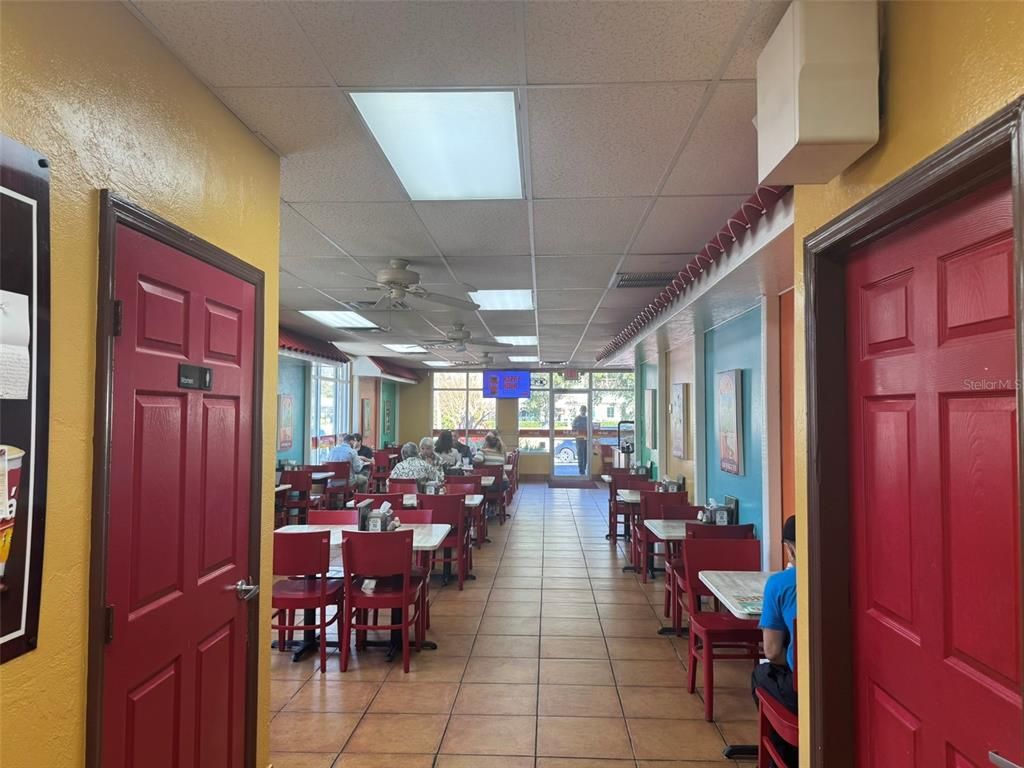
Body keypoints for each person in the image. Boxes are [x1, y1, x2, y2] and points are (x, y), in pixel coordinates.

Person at [752, 515, 798, 763]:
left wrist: (794, 657)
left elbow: (771, 651)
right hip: (852, 687)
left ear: (789, 548)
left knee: (760, 675)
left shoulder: (780, 584)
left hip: (803, 692)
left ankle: (782, 750)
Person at [572, 405, 589, 476]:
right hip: (579, 439)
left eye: (584, 410)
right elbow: (573, 428)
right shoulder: (576, 419)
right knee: (580, 454)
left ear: (586, 411)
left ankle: (584, 469)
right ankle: (581, 470)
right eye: (582, 410)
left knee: (586, 454)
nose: (583, 411)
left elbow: (592, 428)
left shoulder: (588, 419)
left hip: (587, 439)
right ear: (580, 410)